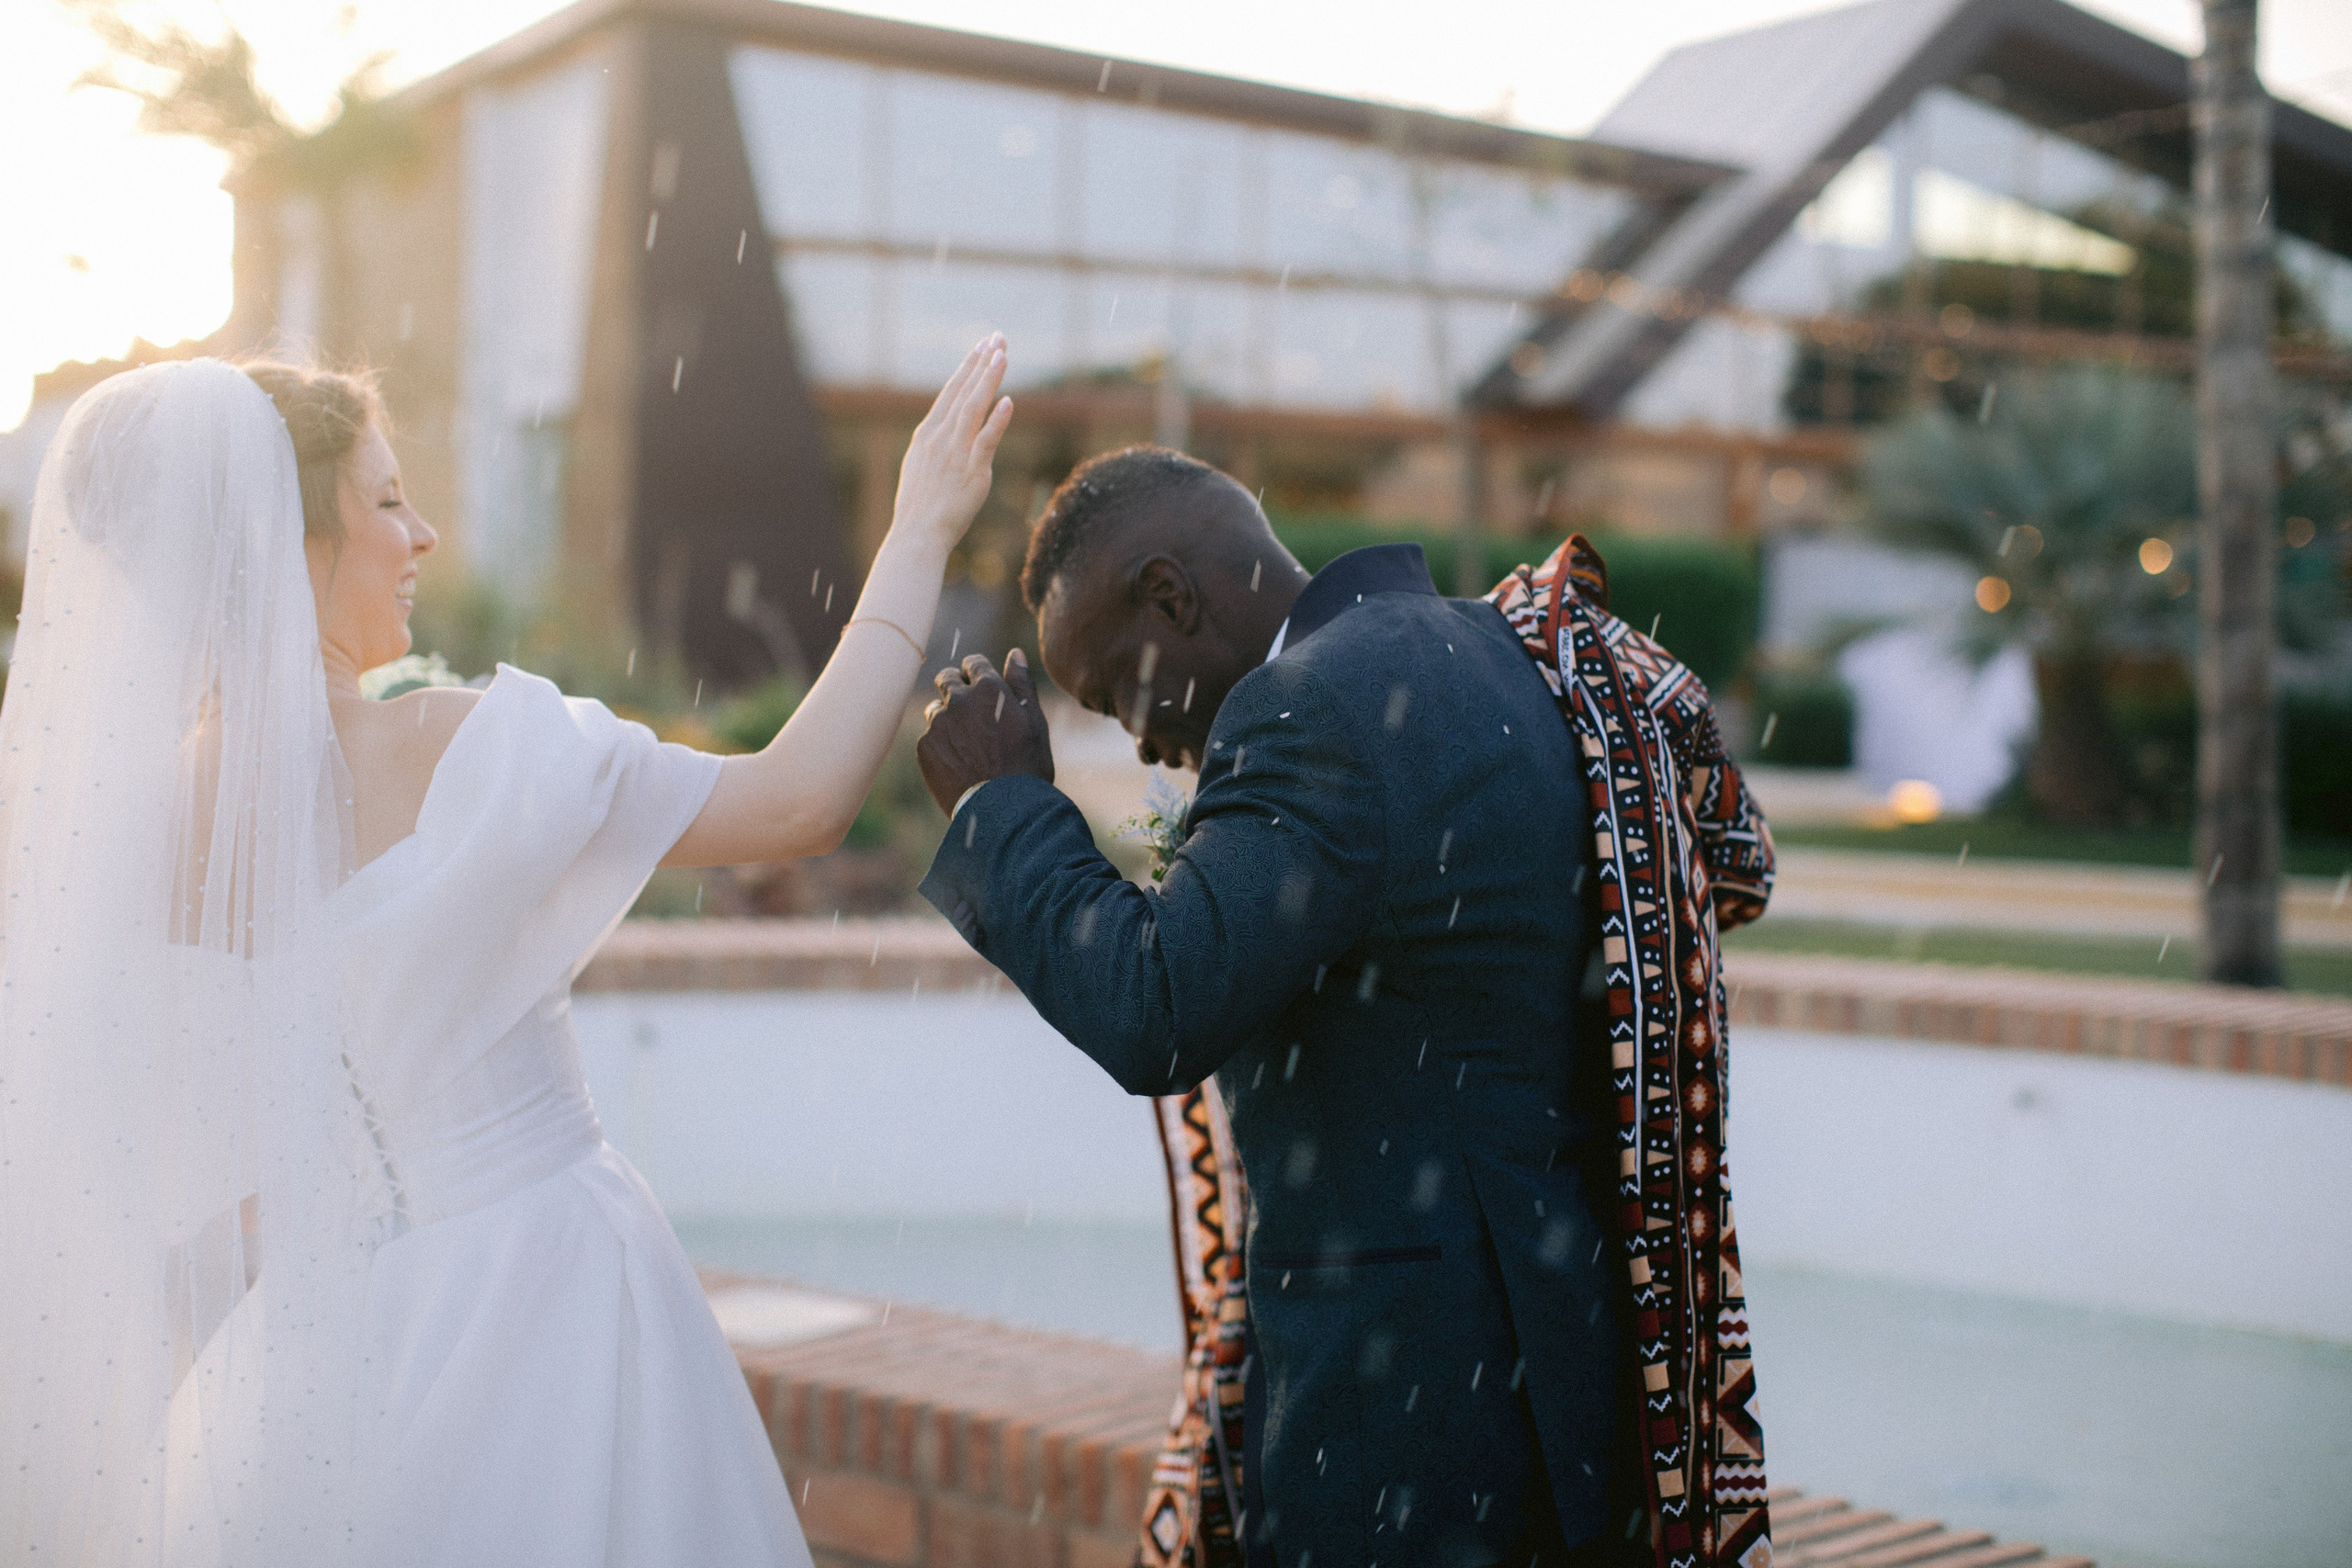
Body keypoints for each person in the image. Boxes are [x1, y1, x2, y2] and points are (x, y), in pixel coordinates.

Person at [0, 338, 1012, 1565]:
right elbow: (798, 800)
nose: (419, 534)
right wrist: (917, 532)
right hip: (552, 1292)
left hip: (304, 1358)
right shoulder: (460, 748)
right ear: (286, 538)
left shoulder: (118, 835)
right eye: (384, 500)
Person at [915, 448, 1778, 1568]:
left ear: (1169, 595)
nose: (1135, 742)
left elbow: (1157, 1001)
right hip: (1558, 1350)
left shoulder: (1314, 704)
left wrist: (1004, 806)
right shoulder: (1489, 654)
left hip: (1419, 1413)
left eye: (1115, 693)